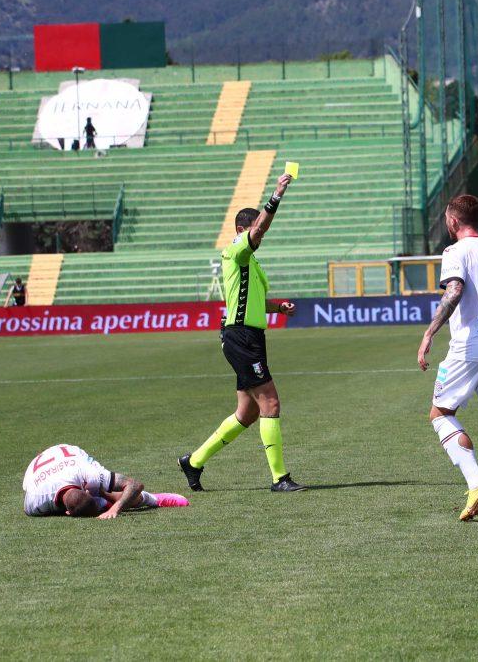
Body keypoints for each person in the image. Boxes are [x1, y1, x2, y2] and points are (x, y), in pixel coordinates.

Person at [178, 172, 304, 493]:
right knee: (271, 404)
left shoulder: (251, 263)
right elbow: (259, 228)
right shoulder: (236, 248)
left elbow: (254, 301)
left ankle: (193, 462)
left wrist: (279, 308)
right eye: (253, 231)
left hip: (248, 336)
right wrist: (276, 195)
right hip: (241, 337)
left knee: (246, 413)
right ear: (240, 231)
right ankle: (280, 478)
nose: (257, 236)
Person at [416, 195, 478, 523]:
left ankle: (476, 483)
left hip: (471, 343)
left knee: (440, 412)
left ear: (454, 221)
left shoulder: (455, 251)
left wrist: (430, 332)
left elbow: (455, 290)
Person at [24, 443, 188, 518]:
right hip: (37, 469)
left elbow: (135, 484)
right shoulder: (34, 501)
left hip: (71, 455)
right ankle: (102, 502)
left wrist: (115, 509)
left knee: (107, 492)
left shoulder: (90, 475)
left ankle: (152, 498)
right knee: (96, 502)